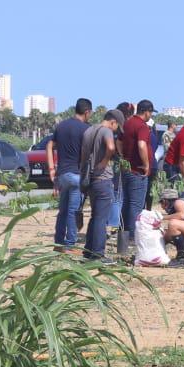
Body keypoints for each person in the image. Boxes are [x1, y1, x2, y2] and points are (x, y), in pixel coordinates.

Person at [49, 99, 91, 251]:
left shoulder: (61, 126)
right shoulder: (85, 129)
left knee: (63, 211)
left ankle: (58, 243)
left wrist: (51, 168)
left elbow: (49, 145)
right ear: (87, 112)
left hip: (62, 174)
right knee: (73, 211)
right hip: (75, 174)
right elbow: (86, 154)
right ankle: (70, 244)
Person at [80, 108, 122, 261]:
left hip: (90, 179)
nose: (116, 130)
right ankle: (98, 253)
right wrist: (104, 161)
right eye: (117, 126)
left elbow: (83, 156)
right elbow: (111, 147)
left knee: (94, 216)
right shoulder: (106, 131)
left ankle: (88, 250)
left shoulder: (89, 130)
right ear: (113, 122)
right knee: (101, 218)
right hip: (103, 179)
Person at [118, 100, 156, 256]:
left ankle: (124, 234)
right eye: (151, 112)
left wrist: (123, 157)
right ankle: (133, 236)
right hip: (137, 171)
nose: (150, 115)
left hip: (127, 169)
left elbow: (118, 141)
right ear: (146, 111)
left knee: (127, 203)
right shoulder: (141, 126)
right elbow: (141, 145)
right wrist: (146, 164)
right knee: (136, 204)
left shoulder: (127, 123)